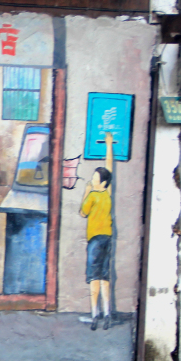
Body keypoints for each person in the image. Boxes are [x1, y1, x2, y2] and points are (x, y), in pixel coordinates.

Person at [80, 133, 114, 331]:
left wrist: (86, 192)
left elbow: (83, 213)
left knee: (93, 277)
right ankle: (108, 312)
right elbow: (108, 166)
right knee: (105, 276)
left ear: (100, 183)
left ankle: (95, 314)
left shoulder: (92, 195)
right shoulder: (107, 192)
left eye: (94, 179)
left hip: (94, 239)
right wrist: (109, 145)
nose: (92, 181)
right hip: (107, 237)